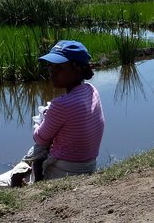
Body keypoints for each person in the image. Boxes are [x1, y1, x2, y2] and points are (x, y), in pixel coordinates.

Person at [30, 40, 105, 181]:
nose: (52, 72)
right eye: (50, 67)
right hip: (89, 165)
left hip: (63, 173)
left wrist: (38, 122)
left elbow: (40, 138)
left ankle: (37, 184)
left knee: (37, 150)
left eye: (59, 68)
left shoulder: (61, 105)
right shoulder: (91, 90)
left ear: (77, 68)